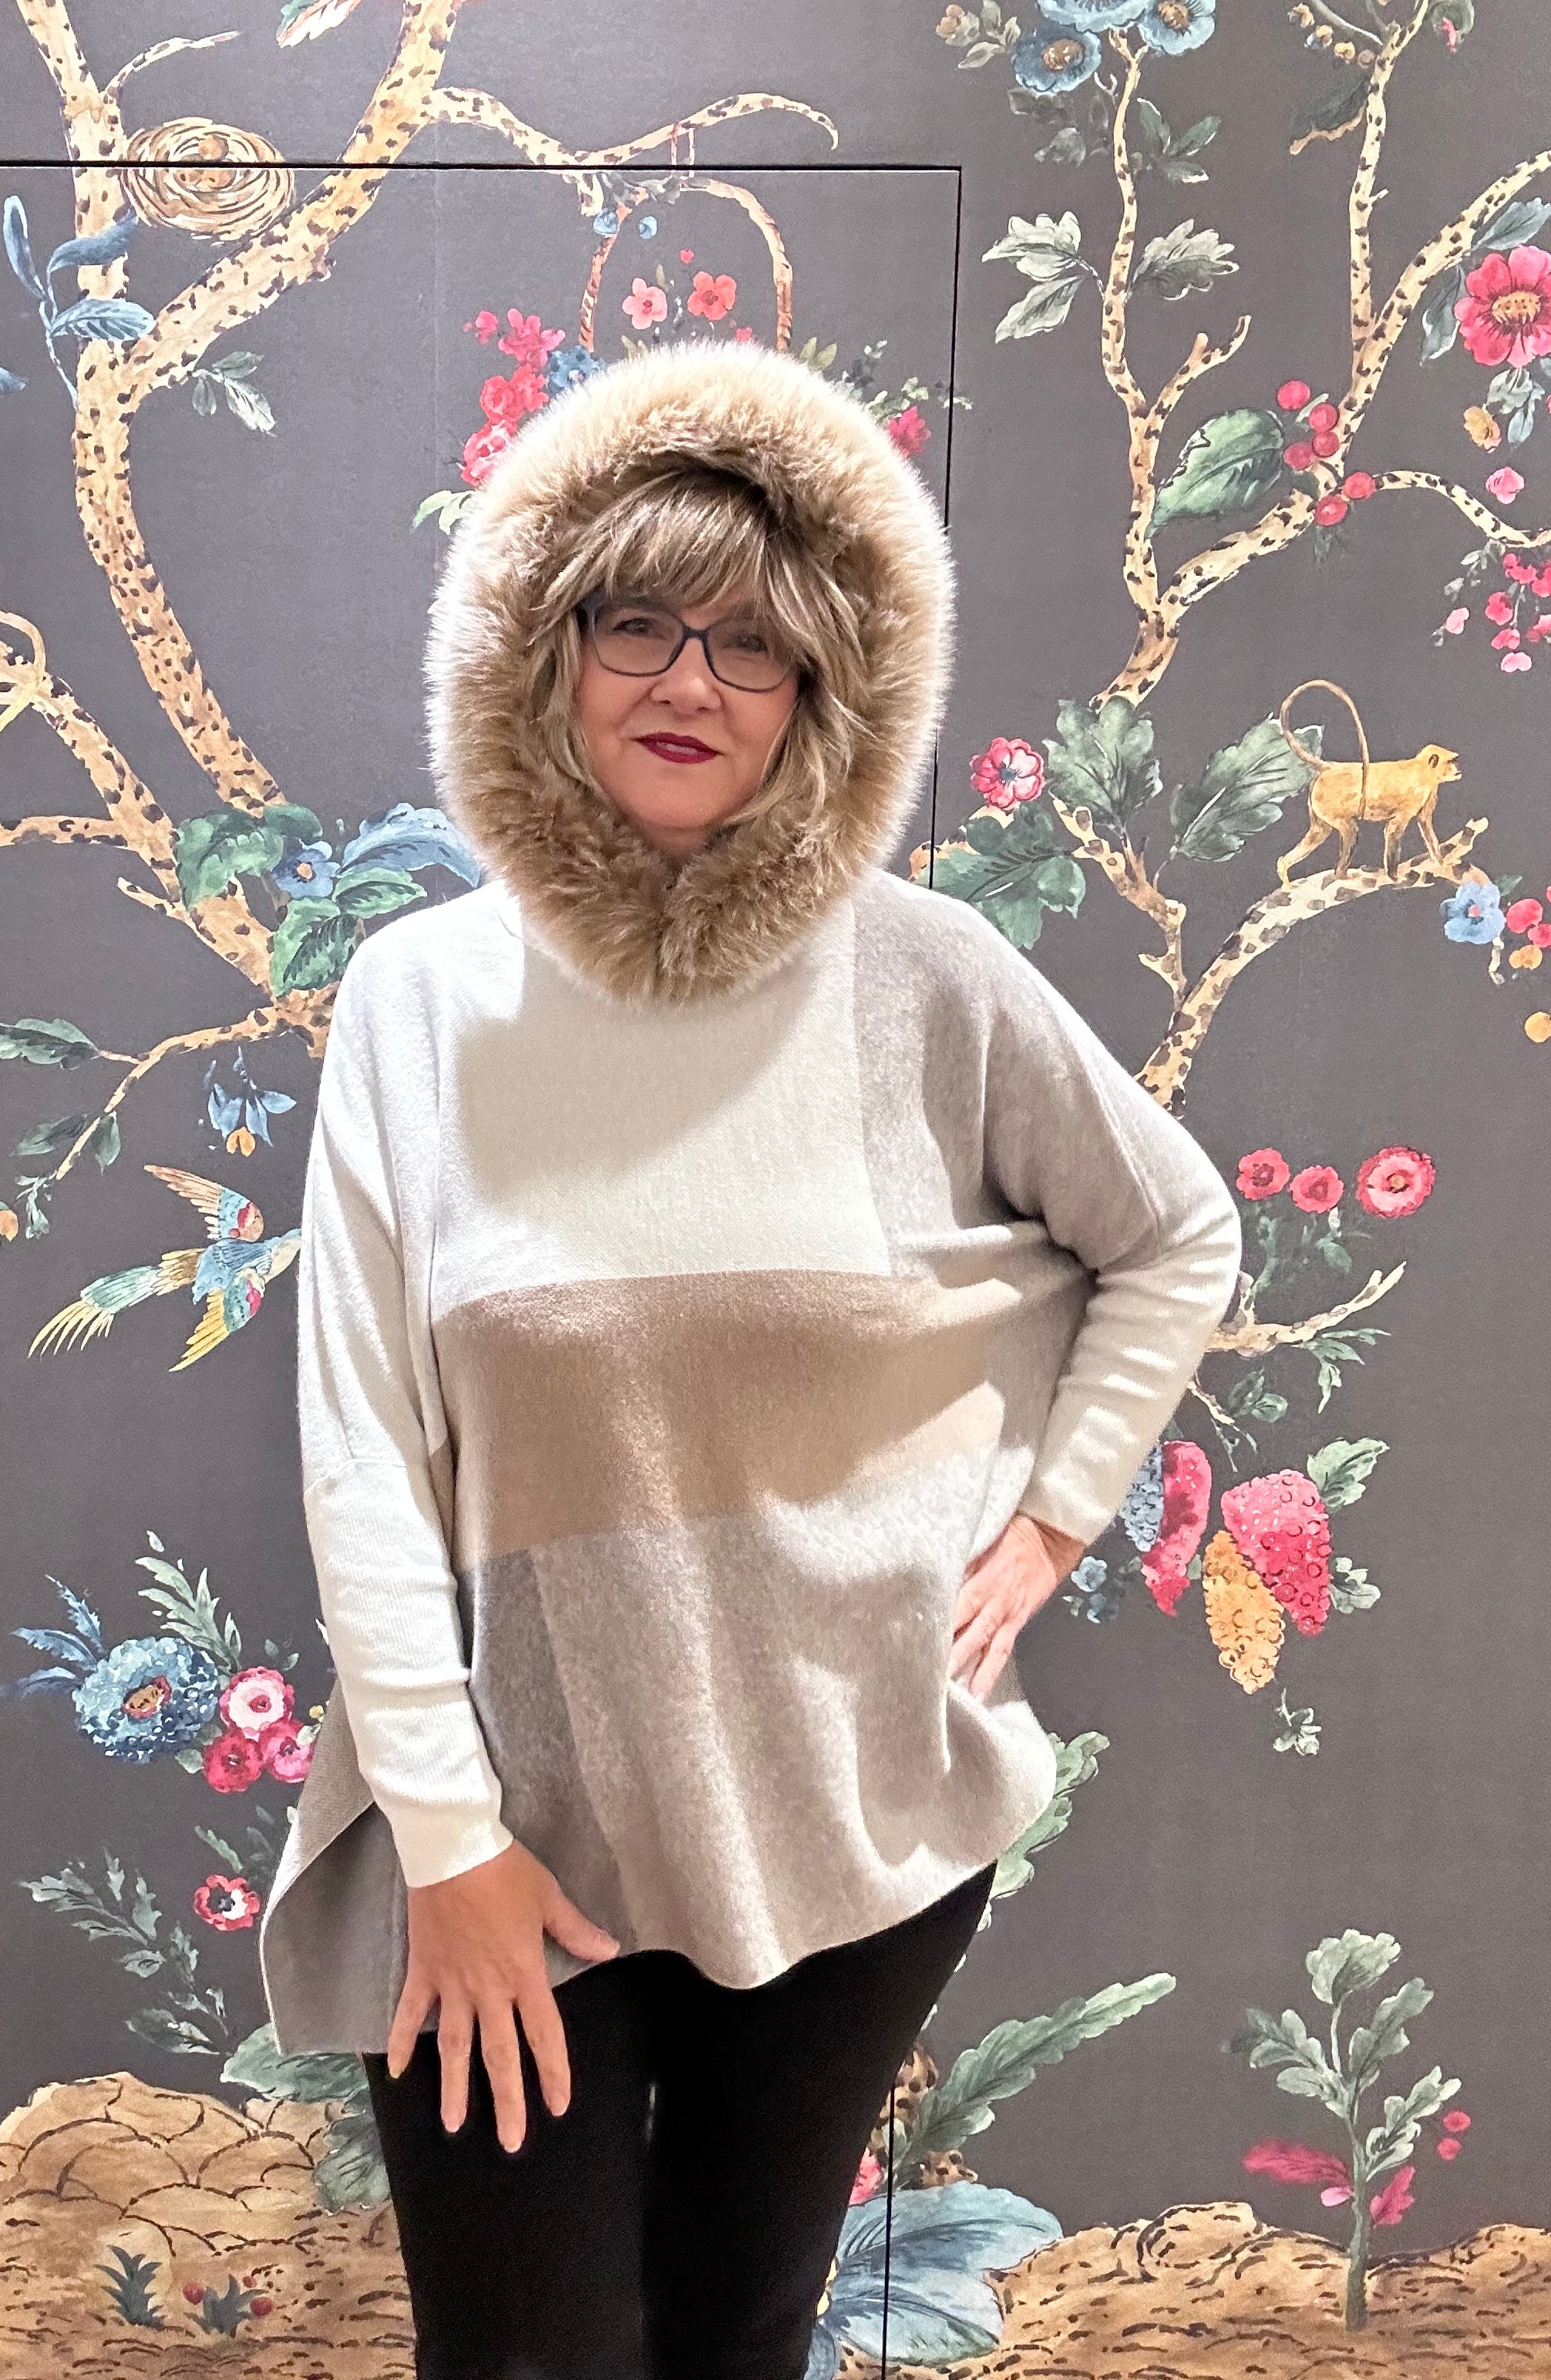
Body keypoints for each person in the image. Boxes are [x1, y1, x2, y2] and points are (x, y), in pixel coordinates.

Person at [259, 338, 1243, 2379]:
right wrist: (443, 1842)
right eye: (638, 622)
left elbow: (1174, 1232)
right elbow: (361, 1448)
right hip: (508, 1834)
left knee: (735, 2339)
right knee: (527, 2359)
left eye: (755, 644)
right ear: (547, 649)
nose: (688, 683)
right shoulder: (419, 1001)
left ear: (823, 692)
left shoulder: (927, 975)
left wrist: (1058, 1518)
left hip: (850, 1812)